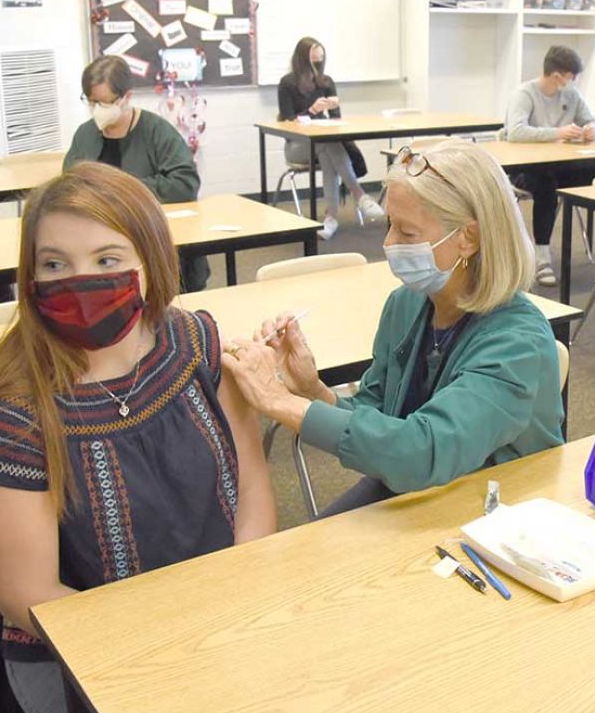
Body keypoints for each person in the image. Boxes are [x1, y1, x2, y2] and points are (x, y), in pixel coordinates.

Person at [0, 162, 276, 713]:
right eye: (54, 265)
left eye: (106, 260)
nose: (79, 281)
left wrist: (244, 603)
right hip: (81, 655)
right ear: (30, 275)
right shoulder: (13, 417)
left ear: (150, 259)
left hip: (222, 610)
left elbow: (253, 481)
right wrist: (167, 654)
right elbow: (28, 597)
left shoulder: (196, 344)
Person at [222, 139, 563, 516]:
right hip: (423, 489)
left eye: (407, 233)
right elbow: (377, 411)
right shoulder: (407, 304)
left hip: (498, 509)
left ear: (468, 237)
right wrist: (310, 389)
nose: (388, 244)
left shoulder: (519, 342)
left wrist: (279, 402)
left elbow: (424, 451)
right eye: (389, 225)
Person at [63, 55, 210, 292]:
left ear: (126, 98)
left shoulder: (156, 131)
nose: (97, 110)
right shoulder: (85, 135)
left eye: (105, 103)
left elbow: (184, 184)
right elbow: (69, 188)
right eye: (91, 102)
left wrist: (121, 190)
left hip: (151, 240)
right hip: (96, 241)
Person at [506, 45, 595, 287]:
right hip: (527, 169)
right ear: (558, 75)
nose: (574, 82)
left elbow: (593, 120)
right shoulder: (525, 94)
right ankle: (542, 257)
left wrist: (593, 130)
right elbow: (515, 132)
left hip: (564, 165)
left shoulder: (572, 96)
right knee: (546, 187)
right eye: (572, 76)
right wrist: (557, 132)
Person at [277, 36, 384, 241]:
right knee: (328, 145)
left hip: (323, 144)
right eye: (313, 60)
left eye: (320, 60)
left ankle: (331, 219)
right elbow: (287, 121)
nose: (318, 64)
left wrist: (333, 108)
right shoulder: (287, 83)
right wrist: (312, 110)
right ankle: (359, 195)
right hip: (298, 145)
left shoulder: (326, 82)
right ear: (302, 59)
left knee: (328, 150)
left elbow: (335, 121)